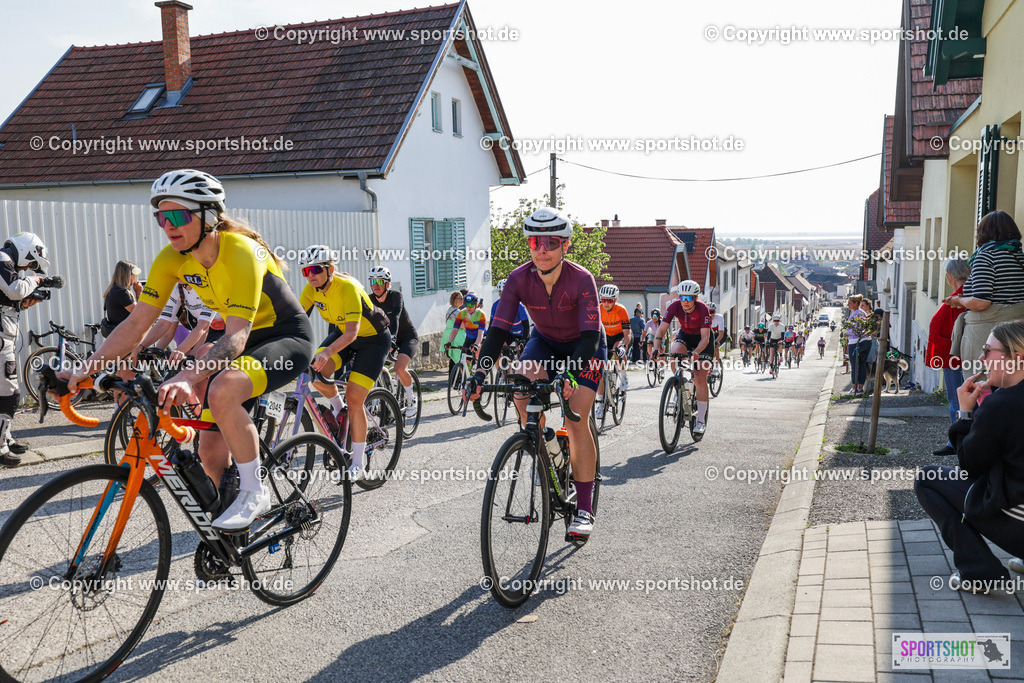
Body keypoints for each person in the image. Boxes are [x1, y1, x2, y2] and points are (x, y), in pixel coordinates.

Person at [67, 169, 314, 530]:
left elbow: (237, 336)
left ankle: (254, 490)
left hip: (284, 337)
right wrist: (84, 369)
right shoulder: (171, 258)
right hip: (240, 340)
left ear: (209, 215)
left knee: (222, 387)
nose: (168, 225)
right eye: (161, 217)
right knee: (209, 453)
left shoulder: (241, 251)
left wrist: (187, 376)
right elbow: (136, 324)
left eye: (178, 216)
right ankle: (229, 535)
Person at [465, 207, 603, 540]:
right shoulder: (518, 279)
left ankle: (584, 509)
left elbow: (590, 338)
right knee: (520, 383)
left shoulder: (582, 279)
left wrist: (570, 374)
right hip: (545, 342)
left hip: (584, 348)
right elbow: (497, 332)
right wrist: (480, 374)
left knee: (576, 419)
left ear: (565, 245)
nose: (542, 250)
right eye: (534, 242)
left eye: (551, 242)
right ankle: (544, 446)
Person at [914, 321, 1024, 592]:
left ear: (1016, 358)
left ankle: (980, 572)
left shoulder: (1001, 406)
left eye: (987, 350)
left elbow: (970, 466)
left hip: (1018, 528)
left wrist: (965, 413)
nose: (981, 359)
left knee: (927, 479)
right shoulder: (1002, 401)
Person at [299, 246, 391, 478]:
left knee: (355, 398)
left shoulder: (347, 287)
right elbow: (295, 322)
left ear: (330, 269)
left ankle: (357, 464)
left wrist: (326, 352)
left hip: (372, 340)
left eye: (316, 270)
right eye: (306, 271)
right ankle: (341, 411)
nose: (310, 275)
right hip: (344, 335)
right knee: (314, 373)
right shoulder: (310, 290)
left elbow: (352, 333)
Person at [947, 210, 1024, 376]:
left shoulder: (986, 256)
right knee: (1010, 381)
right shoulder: (1018, 255)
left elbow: (981, 302)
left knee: (981, 383)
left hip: (986, 333)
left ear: (984, 233)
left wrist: (960, 300)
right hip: (1017, 332)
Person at [0, 233, 50, 465]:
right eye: (30, 263)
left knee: (6, 390)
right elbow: (15, 290)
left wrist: (25, 303)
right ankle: (1, 447)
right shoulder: (2, 258)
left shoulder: (7, 263)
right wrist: (36, 280)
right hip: (2, 337)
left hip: (5, 336)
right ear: (26, 250)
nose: (28, 268)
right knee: (9, 391)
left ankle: (5, 438)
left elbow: (11, 299)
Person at [652, 280, 711, 435]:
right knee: (674, 353)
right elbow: (661, 329)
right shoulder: (675, 306)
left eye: (689, 298)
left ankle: (700, 421)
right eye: (682, 297)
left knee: (699, 377)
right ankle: (681, 385)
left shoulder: (702, 309)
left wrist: (697, 351)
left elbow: (705, 337)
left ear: (695, 298)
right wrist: (656, 348)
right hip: (685, 335)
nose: (685, 301)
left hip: (702, 340)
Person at [927, 258, 971, 456]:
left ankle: (957, 443)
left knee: (957, 400)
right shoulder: (965, 294)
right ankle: (958, 441)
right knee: (961, 399)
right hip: (956, 354)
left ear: (949, 276)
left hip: (954, 356)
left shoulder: (959, 297)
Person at [368, 266, 419, 419]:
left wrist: (392, 338)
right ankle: (389, 387)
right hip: (386, 337)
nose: (375, 285)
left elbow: (395, 316)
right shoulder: (370, 300)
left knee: (399, 367)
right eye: (373, 282)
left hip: (407, 337)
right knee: (374, 366)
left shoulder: (396, 296)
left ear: (387, 284)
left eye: (379, 281)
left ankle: (411, 398)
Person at [596, 283, 631, 419]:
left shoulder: (621, 310)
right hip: (605, 337)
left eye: (609, 300)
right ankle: (600, 403)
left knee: (617, 350)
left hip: (619, 336)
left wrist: (623, 346)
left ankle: (623, 375)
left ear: (615, 300)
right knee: (599, 369)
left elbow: (627, 334)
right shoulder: (598, 309)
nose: (606, 303)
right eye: (603, 300)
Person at [101, 260, 142, 337]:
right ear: (129, 275)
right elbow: (139, 313)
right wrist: (138, 293)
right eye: (135, 275)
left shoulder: (114, 289)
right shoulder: (121, 292)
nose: (136, 277)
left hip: (118, 334)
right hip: (124, 335)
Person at [445, 292, 486, 360]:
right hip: (469, 338)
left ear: (476, 305)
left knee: (477, 357)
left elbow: (481, 332)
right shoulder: (462, 313)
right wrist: (449, 342)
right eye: (466, 304)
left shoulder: (480, 314)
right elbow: (455, 329)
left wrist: (476, 344)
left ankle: (477, 365)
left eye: (471, 305)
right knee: (463, 359)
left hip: (480, 338)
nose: (468, 307)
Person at [845, 294, 871, 393]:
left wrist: (847, 333)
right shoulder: (863, 312)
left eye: (850, 303)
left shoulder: (857, 314)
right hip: (866, 341)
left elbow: (857, 329)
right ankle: (860, 387)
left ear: (856, 303)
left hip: (856, 342)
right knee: (862, 365)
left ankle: (854, 387)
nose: (848, 305)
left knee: (855, 365)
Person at [708, 302, 725, 377]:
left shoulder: (719, 317)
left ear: (715, 312)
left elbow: (721, 333)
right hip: (709, 335)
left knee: (715, 346)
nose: (710, 314)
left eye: (711, 312)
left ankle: (716, 367)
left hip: (719, 335)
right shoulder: (704, 317)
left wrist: (715, 342)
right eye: (708, 312)